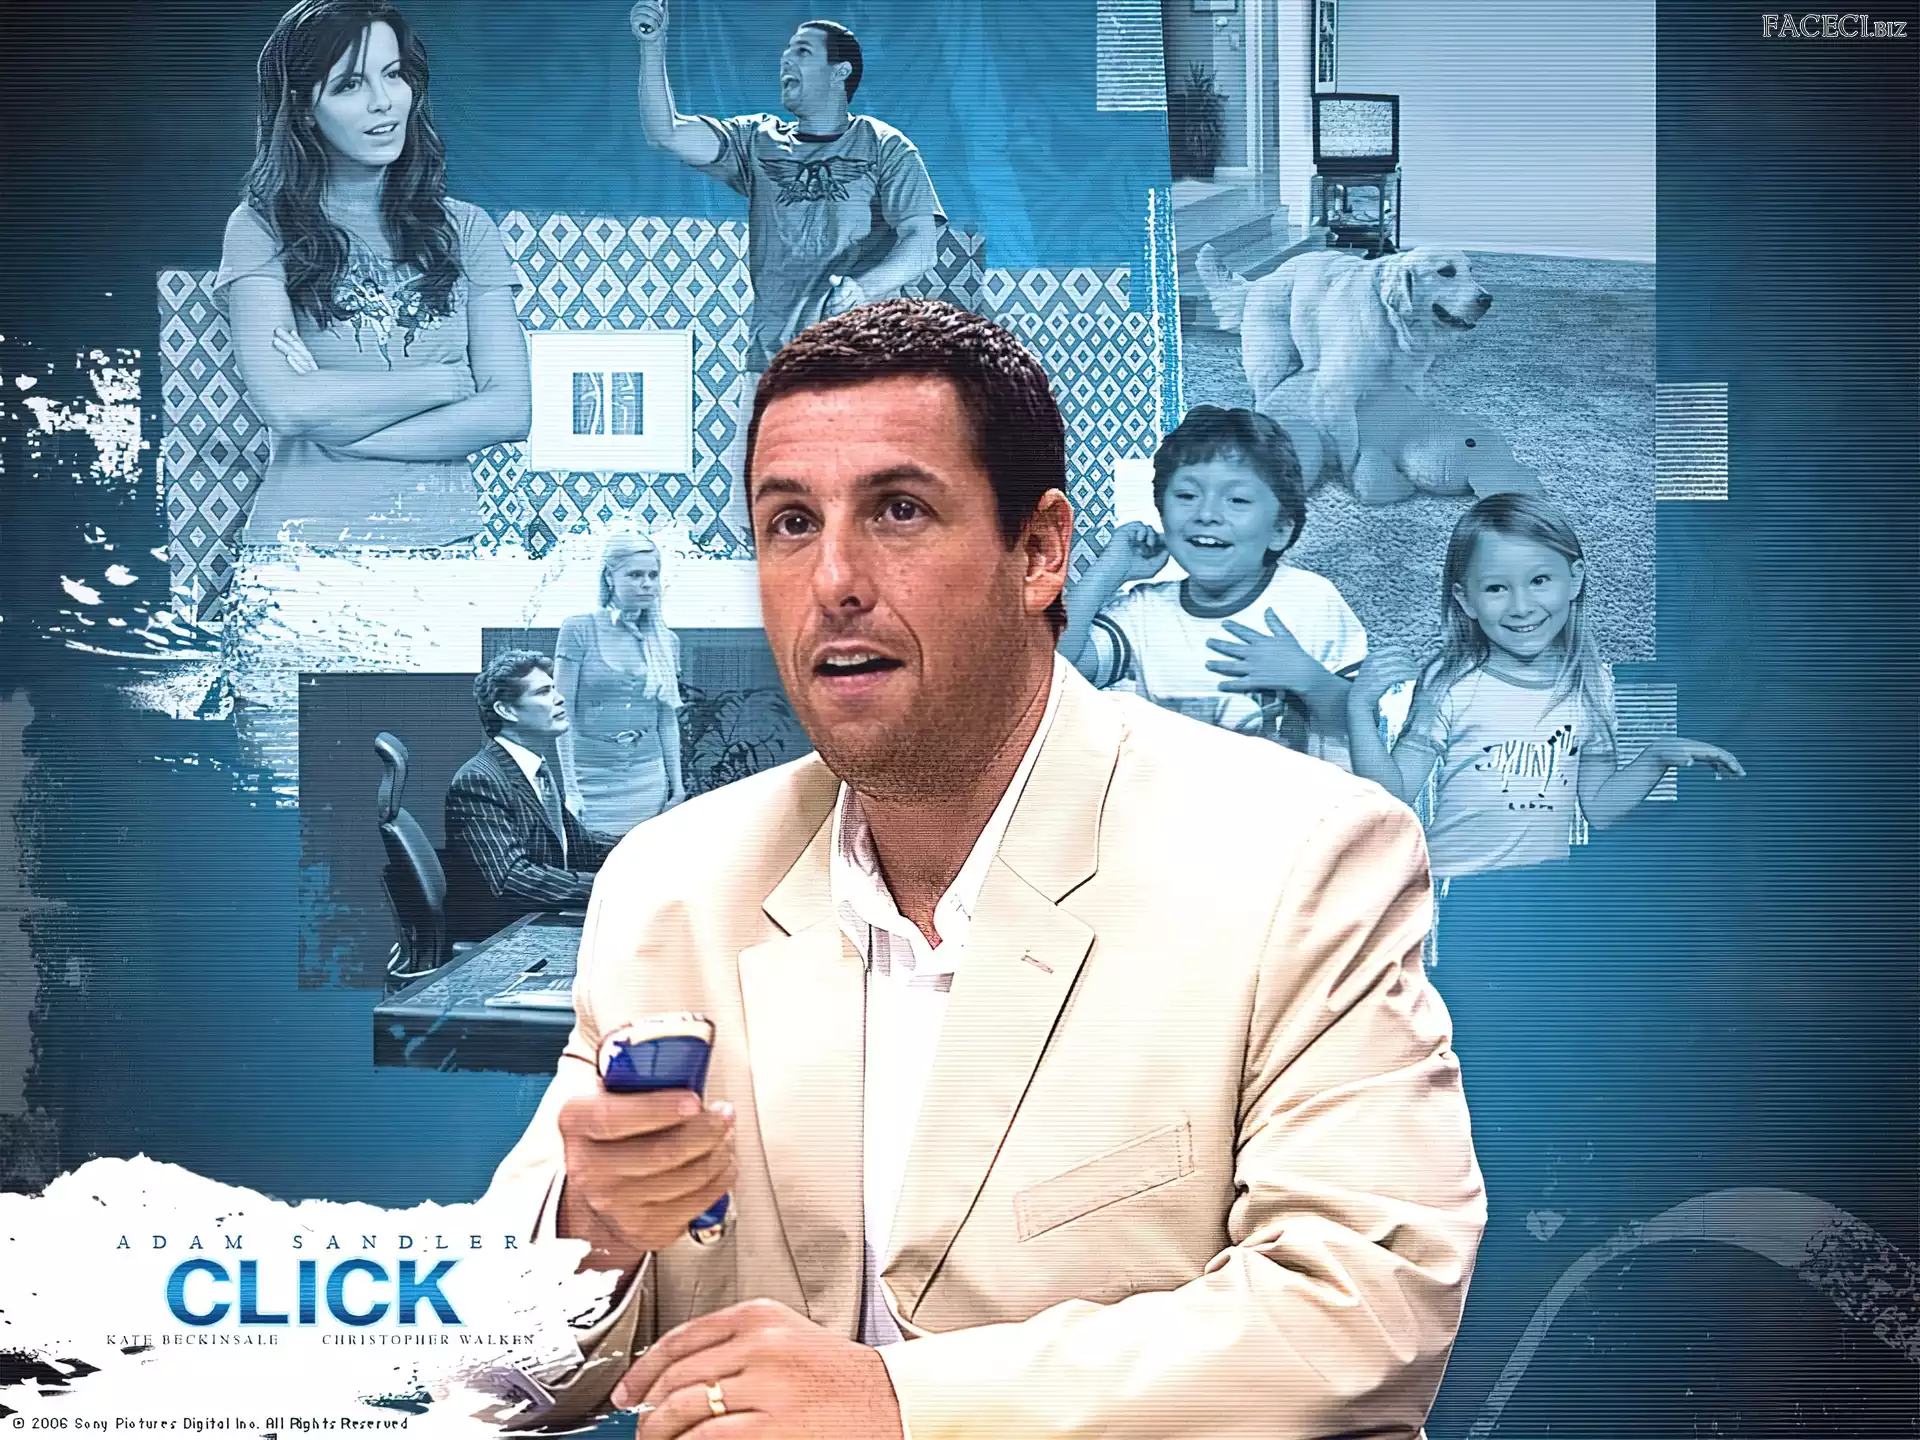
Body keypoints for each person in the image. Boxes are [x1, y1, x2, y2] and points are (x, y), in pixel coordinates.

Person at [485, 300, 1483, 1437]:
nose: (834, 580)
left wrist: (901, 1405)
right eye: (791, 523)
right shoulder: (671, 883)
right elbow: (484, 1365)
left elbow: (1361, 1312)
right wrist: (597, 1237)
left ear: (1042, 552)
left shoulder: (1304, 856)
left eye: (899, 511)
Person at [214, 0, 530, 783]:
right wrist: (443, 382)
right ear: (304, 106)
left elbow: (509, 409)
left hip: (440, 565)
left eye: (394, 75)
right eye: (351, 84)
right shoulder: (260, 229)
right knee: (288, 816)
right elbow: (286, 406)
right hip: (301, 566)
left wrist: (340, 415)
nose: (384, 102)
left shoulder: (468, 231)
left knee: (424, 815)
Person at [627, 1, 943, 533]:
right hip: (771, 359)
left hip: (857, 366)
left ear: (840, 71)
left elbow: (921, 245)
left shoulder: (885, 147)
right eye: (785, 52)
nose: (785, 61)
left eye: (802, 51)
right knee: (757, 512)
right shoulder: (757, 141)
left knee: (856, 510)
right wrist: (651, 45)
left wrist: (863, 288)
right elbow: (667, 132)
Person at [1346, 493, 1745, 881]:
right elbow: (1395, 796)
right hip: (1459, 890)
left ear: (1575, 580)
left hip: (1543, 893)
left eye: (1539, 580)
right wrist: (1359, 710)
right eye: (1496, 588)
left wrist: (1658, 756)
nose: (1521, 607)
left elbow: (1600, 809)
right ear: (1466, 600)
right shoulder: (1450, 682)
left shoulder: (1592, 683)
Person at [1059, 405, 1370, 766]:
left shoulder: (1310, 601)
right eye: (1187, 496)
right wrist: (1108, 571)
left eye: (1237, 500)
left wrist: (1307, 678)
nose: (1206, 514)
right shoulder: (1141, 612)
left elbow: (1361, 726)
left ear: (1280, 530)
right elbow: (1055, 669)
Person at [444, 651, 617, 941]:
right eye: (543, 692)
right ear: (507, 711)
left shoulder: (536, 771)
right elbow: (513, 879)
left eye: (555, 689)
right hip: (507, 941)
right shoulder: (479, 781)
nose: (559, 699)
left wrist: (651, 848)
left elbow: (582, 847)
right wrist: (613, 887)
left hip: (539, 926)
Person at [554, 532, 687, 837]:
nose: (646, 584)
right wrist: (571, 790)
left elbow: (667, 720)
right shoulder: (578, 630)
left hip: (648, 779)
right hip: (590, 778)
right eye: (635, 575)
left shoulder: (666, 641)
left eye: (653, 575)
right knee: (593, 859)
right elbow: (562, 714)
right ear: (609, 577)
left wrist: (677, 787)